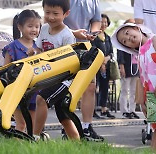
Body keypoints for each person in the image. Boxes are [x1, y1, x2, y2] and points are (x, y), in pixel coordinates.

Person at [111, 22, 156, 152]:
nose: (128, 38)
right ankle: (155, 151)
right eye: (125, 41)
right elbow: (143, 78)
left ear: (136, 28)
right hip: (154, 94)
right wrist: (143, 101)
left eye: (128, 33)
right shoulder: (140, 53)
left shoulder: (154, 40)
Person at [33, 0, 79, 140]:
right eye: (47, 12)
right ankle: (78, 144)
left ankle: (35, 137)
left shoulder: (67, 35)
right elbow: (39, 49)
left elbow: (70, 62)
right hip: (49, 76)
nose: (51, 17)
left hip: (64, 79)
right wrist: (34, 53)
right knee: (63, 115)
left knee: (41, 99)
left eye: (55, 14)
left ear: (66, 14)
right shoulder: (44, 28)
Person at [64, 0, 104, 141]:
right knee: (67, 87)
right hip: (66, 47)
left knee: (90, 86)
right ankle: (67, 125)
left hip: (86, 46)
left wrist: (92, 32)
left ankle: (86, 127)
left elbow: (96, 20)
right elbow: (52, 18)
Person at [2, 9, 41, 132]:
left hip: (35, 91)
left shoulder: (38, 47)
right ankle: (18, 146)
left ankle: (31, 147)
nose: (34, 30)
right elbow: (6, 70)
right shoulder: (12, 47)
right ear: (20, 26)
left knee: (33, 125)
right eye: (30, 26)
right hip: (17, 91)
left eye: (37, 26)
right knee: (21, 124)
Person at [91, 14, 115, 119]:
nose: (103, 24)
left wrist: (107, 59)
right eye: (101, 22)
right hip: (95, 66)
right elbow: (93, 50)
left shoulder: (108, 38)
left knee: (105, 87)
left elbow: (111, 52)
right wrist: (101, 62)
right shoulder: (94, 36)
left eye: (105, 22)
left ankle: (104, 109)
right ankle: (92, 110)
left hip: (106, 66)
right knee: (93, 87)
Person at [117, 19, 140, 119]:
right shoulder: (122, 41)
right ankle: (124, 110)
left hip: (135, 67)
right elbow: (120, 55)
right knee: (125, 89)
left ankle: (132, 109)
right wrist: (121, 67)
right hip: (126, 67)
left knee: (134, 91)